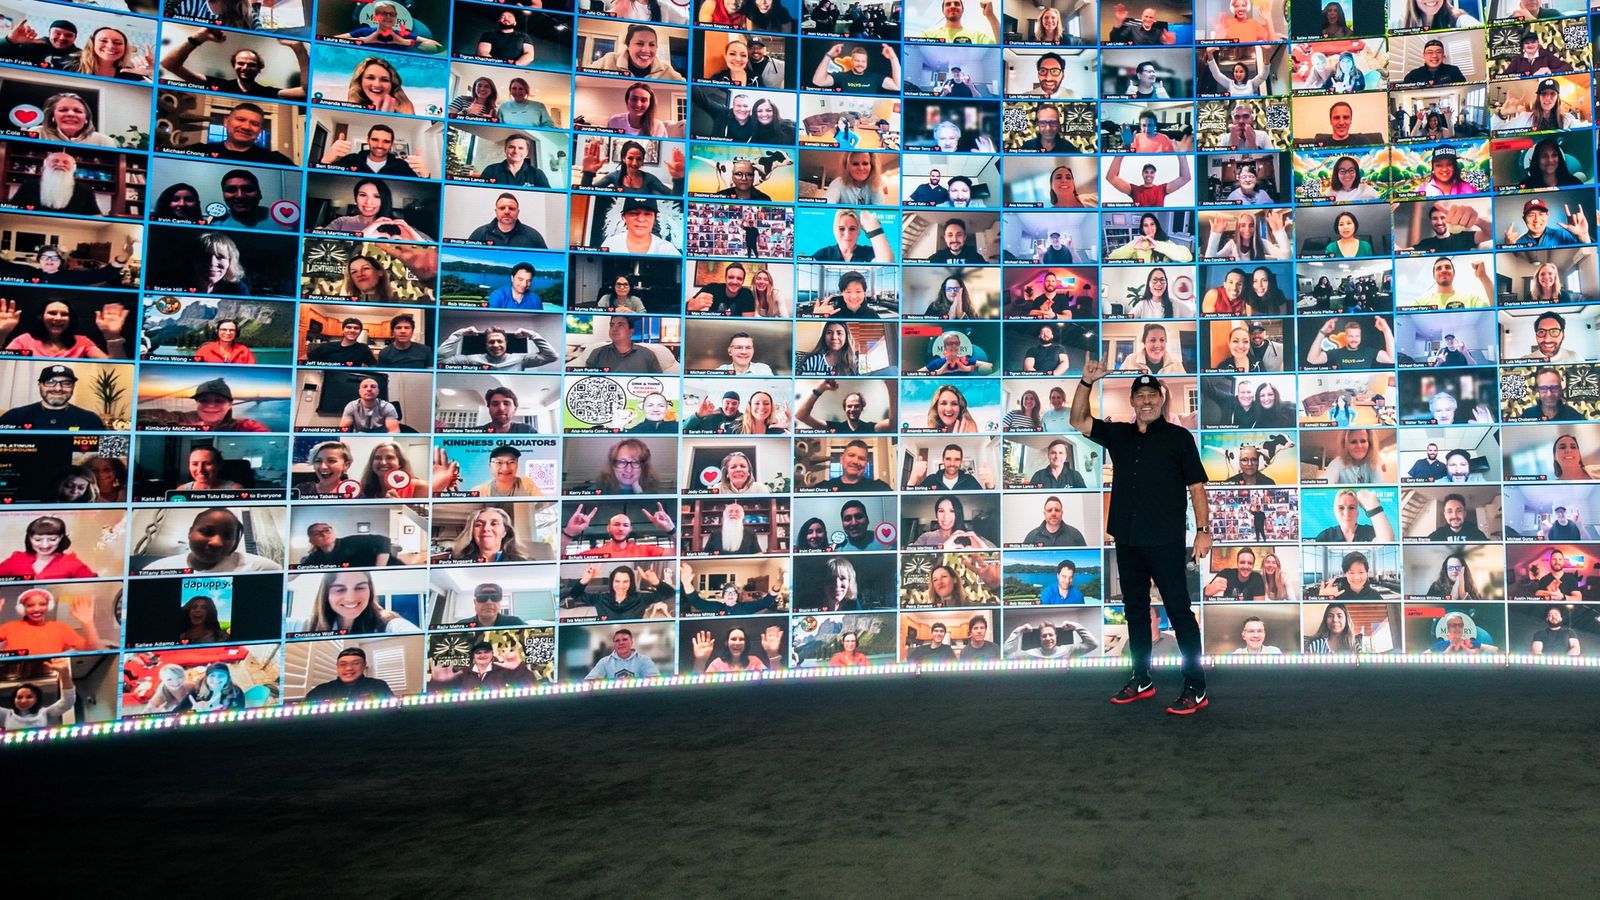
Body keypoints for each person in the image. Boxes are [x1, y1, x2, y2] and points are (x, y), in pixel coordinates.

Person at [1074, 365, 1210, 713]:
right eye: (1140, 395)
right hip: (1128, 538)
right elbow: (1078, 420)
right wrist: (1087, 381)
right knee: (1134, 610)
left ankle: (1195, 686)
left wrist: (1204, 531)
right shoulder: (1119, 434)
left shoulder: (1180, 438)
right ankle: (1141, 678)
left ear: (1161, 399)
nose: (1146, 400)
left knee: (1179, 613)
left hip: (1165, 540)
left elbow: (1197, 487)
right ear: (1133, 401)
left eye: (1152, 395)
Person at [161, 28, 308, 100]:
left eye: (251, 65)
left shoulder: (268, 92)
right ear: (234, 66)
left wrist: (299, 49)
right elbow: (169, 64)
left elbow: (305, 91)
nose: (245, 68)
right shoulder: (217, 84)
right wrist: (198, 38)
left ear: (259, 69)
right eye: (241, 63)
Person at [144, 507, 279, 573]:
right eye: (207, 532)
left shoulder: (262, 568)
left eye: (227, 536)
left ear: (236, 542)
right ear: (190, 533)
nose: (216, 543)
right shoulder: (156, 569)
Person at [0, 298, 127, 359]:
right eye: (52, 313)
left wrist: (113, 337)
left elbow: (116, 366)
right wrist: (1, 334)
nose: (59, 317)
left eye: (64, 314)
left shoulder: (83, 342)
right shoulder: (24, 340)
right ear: (41, 317)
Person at [0, 588, 104, 655]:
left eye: (42, 604)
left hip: (49, 677)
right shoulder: (9, 627)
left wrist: (88, 623)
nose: (37, 609)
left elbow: (92, 650)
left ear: (49, 606)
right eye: (30, 605)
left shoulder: (60, 628)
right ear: (22, 609)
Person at [194, 103, 294, 166]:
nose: (246, 127)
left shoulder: (276, 160)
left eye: (255, 124)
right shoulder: (199, 151)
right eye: (240, 120)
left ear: (260, 130)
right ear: (226, 122)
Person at [562, 504, 675, 558]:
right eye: (616, 524)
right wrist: (568, 533)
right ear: (608, 528)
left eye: (625, 525)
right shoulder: (595, 553)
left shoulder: (646, 550)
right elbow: (562, 560)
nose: (621, 528)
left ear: (630, 529)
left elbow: (677, 553)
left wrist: (671, 530)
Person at [567, 563, 674, 619]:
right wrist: (585, 579)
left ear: (631, 582)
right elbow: (575, 594)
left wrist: (655, 581)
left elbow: (669, 593)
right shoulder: (600, 598)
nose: (621, 586)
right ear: (612, 582)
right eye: (617, 581)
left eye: (625, 582)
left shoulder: (641, 598)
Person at [319, 124, 429, 178]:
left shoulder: (402, 166)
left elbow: (422, 187)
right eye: (375, 140)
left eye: (386, 141)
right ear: (368, 140)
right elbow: (322, 180)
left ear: (391, 144)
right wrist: (325, 161)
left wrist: (426, 176)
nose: (380, 145)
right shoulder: (351, 159)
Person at [331, 1, 442, 53]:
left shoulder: (402, 34)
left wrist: (405, 42)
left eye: (392, 14)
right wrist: (363, 41)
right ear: (376, 17)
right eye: (384, 14)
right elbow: (333, 39)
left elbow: (436, 46)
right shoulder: (365, 31)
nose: (388, 17)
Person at [587, 24, 684, 81]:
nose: (646, 50)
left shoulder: (666, 70)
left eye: (652, 45)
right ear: (628, 46)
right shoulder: (609, 59)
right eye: (639, 43)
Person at [438, 325, 558, 370]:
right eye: (491, 342)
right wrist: (459, 333)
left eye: (499, 341)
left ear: (506, 343)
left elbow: (552, 356)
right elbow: (441, 360)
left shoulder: (521, 360)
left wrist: (532, 334)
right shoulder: (471, 360)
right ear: (486, 344)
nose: (496, 345)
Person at [451, 507, 548, 563]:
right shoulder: (457, 561)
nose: (486, 529)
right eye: (479, 525)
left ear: (505, 532)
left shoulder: (525, 563)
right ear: (472, 532)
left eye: (494, 523)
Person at [2, 658, 77, 729]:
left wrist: (65, 673)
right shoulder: (6, 715)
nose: (23, 701)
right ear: (14, 699)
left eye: (29, 697)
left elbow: (67, 702)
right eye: (19, 697)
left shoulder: (44, 713)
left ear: (36, 699)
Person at [430, 641, 536, 691]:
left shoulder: (503, 671)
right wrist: (438, 682)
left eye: (486, 652)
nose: (482, 655)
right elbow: (437, 696)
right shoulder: (464, 674)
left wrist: (518, 669)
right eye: (478, 652)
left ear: (492, 654)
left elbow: (531, 686)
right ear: (473, 656)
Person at [304, 647, 397, 702]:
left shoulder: (378, 686)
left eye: (355, 663)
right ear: (337, 666)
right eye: (343, 664)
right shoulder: (320, 690)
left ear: (364, 665)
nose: (349, 668)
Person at [796, 381, 892, 433]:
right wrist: (819, 389)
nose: (853, 409)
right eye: (849, 406)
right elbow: (801, 416)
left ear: (862, 408)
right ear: (845, 408)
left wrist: (891, 384)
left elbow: (893, 424)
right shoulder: (835, 427)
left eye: (857, 406)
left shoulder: (871, 427)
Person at [1406, 255, 1494, 310]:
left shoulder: (1471, 300)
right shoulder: (1420, 303)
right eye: (1439, 268)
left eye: (1447, 267)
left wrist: (1483, 276)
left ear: (1454, 273)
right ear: (1434, 276)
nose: (1443, 270)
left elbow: (1494, 311)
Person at [581, 316, 663, 373]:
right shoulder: (597, 353)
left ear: (631, 331)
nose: (614, 329)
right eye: (612, 325)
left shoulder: (648, 354)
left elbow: (660, 382)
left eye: (620, 325)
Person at [1307, 317, 1395, 370]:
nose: (1354, 339)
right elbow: (1312, 360)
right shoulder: (1336, 353)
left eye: (1357, 336)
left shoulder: (1369, 352)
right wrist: (1322, 332)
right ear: (1345, 337)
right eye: (1351, 336)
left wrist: (1386, 330)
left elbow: (1392, 359)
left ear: (1360, 337)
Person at [809, 208, 893, 263]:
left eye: (852, 229)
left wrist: (872, 228)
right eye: (841, 229)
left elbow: (888, 262)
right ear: (835, 231)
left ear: (858, 231)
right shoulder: (824, 254)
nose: (847, 234)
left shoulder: (868, 252)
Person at [909, 495, 993, 549]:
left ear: (958, 514)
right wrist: (949, 541)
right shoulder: (926, 537)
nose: (946, 516)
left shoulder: (970, 536)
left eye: (952, 511)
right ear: (936, 515)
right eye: (941, 511)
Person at [465, 193, 548, 248]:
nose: (507, 212)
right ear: (496, 211)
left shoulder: (533, 236)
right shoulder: (480, 233)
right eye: (502, 208)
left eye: (511, 208)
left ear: (518, 212)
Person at [600, 198, 677, 256]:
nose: (641, 219)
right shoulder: (611, 244)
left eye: (647, 214)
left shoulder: (667, 249)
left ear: (655, 218)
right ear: (623, 217)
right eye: (634, 213)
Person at [1313, 489, 1396, 542]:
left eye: (1351, 508)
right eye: (1341, 508)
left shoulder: (1369, 532)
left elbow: (1388, 541)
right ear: (1335, 511)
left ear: (1357, 511)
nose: (1346, 513)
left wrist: (1372, 505)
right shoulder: (1325, 537)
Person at [1106, 213, 1195, 263]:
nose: (1150, 229)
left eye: (1152, 224)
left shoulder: (1165, 242)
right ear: (1142, 228)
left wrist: (1158, 245)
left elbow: (1188, 256)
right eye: (1146, 225)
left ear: (1157, 226)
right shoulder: (1137, 243)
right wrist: (1132, 247)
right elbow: (1111, 258)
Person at [1105, 156, 1190, 208]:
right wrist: (1121, 153)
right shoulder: (1134, 190)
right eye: (1146, 172)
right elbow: (1111, 178)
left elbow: (1185, 178)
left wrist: (1181, 155)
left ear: (1155, 174)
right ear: (1142, 174)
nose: (1149, 175)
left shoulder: (1162, 189)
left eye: (1152, 172)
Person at [1505, 197, 1590, 248]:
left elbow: (1587, 249)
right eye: (1531, 215)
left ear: (1547, 216)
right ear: (1524, 219)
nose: (1537, 219)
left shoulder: (1562, 235)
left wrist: (1583, 235)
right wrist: (1507, 247)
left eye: (1541, 214)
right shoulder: (1516, 241)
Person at [298, 523, 393, 568]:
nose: (324, 534)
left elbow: (383, 540)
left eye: (326, 530)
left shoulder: (350, 541)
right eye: (317, 533)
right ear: (311, 540)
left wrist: (379, 570)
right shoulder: (314, 557)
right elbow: (299, 571)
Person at [693, 625, 782, 673]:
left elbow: (775, 681)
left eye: (741, 639)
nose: (737, 642)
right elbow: (697, 687)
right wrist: (700, 661)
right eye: (733, 639)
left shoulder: (755, 661)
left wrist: (773, 654)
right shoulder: (717, 663)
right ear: (726, 643)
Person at [585, 628, 662, 679]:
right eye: (617, 641)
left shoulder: (644, 660)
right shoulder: (604, 662)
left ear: (631, 642)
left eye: (625, 639)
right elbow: (589, 681)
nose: (621, 643)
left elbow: (656, 681)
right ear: (614, 644)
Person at [817, 440, 892, 492]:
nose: (855, 462)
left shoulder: (880, 487)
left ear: (866, 463)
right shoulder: (823, 487)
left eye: (861, 458)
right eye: (851, 455)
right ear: (841, 459)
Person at [469, 445, 540, 497]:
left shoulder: (526, 484)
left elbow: (543, 505)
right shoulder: (480, 491)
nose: (505, 468)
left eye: (511, 462)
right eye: (499, 462)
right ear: (490, 465)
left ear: (517, 464)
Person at [1005, 620, 1098, 659]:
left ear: (1056, 636)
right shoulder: (1030, 654)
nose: (1048, 638)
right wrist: (1018, 630)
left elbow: (1093, 644)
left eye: (1051, 635)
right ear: (1040, 638)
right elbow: (1006, 654)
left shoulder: (1068, 650)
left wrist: (1075, 626)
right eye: (1044, 636)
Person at [918, 0, 1000, 43]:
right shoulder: (927, 35)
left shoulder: (978, 36)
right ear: (943, 11)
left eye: (957, 3)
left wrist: (990, 15)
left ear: (962, 10)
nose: (952, 6)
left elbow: (1000, 46)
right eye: (948, 4)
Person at [1018, 496, 1087, 547]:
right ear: (1044, 514)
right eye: (1049, 510)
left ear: (1062, 513)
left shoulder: (1075, 535)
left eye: (1057, 510)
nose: (1053, 513)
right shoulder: (1032, 536)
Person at [307, 317, 378, 367]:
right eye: (348, 327)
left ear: (360, 332)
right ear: (343, 330)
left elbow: (374, 366)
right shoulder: (327, 346)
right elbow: (307, 359)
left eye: (356, 328)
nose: (352, 330)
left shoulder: (363, 348)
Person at [1309, 101, 1382, 147]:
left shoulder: (1363, 141)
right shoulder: (1319, 143)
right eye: (1336, 118)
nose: (1341, 122)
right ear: (1330, 121)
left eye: (1346, 117)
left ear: (1351, 120)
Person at [1501, 29, 1569, 78]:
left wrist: (1549, 71)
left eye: (1533, 42)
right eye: (1527, 43)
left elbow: (1568, 68)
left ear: (1538, 43)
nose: (1530, 45)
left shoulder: (1546, 56)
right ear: (1523, 46)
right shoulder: (1517, 59)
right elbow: (1504, 76)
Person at [1400, 39, 1464, 87]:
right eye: (1430, 52)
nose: (1434, 56)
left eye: (1438, 52)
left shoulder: (1454, 70)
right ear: (1424, 55)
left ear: (1443, 55)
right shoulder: (1412, 75)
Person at [1427, 612, 1499, 654]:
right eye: (1454, 625)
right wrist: (1450, 647)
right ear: (1448, 629)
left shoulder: (1470, 643)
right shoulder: (1442, 644)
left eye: (1460, 625)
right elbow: (1424, 655)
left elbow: (1494, 649)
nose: (1457, 628)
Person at [1108, 5, 1177, 44]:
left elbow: (1162, 49)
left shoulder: (1158, 32)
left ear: (1154, 19)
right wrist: (1118, 21)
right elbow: (1115, 40)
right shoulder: (1132, 29)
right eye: (1146, 16)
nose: (1148, 19)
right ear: (1142, 17)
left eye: (1151, 17)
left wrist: (1169, 44)